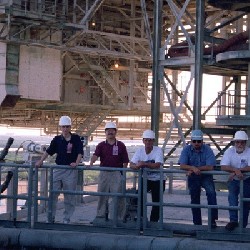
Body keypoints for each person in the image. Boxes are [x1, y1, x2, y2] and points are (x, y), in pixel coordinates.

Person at [35, 115, 83, 224]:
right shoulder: (57, 139)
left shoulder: (76, 138)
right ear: (60, 128)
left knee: (69, 196)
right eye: (63, 127)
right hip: (58, 169)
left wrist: (76, 162)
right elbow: (48, 151)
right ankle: (50, 217)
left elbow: (80, 152)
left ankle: (66, 219)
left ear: (70, 127)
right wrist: (41, 161)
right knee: (52, 194)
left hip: (70, 170)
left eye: (67, 127)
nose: (65, 129)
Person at [89, 122, 129, 220]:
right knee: (102, 195)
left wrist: (123, 174)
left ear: (115, 132)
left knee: (118, 196)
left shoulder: (120, 145)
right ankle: (101, 215)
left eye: (112, 130)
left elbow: (125, 160)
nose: (110, 132)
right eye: (108, 130)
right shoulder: (101, 145)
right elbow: (95, 155)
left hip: (116, 173)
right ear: (105, 132)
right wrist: (91, 163)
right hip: (104, 172)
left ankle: (117, 217)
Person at [179, 129, 218, 228]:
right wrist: (193, 168)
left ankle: (212, 220)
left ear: (202, 141)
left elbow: (210, 167)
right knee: (195, 198)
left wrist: (195, 169)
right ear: (191, 141)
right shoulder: (186, 149)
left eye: (199, 141)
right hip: (194, 176)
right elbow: (182, 165)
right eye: (194, 141)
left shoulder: (208, 149)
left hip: (205, 176)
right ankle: (197, 223)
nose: (196, 143)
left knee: (211, 194)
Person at [130, 129, 165, 222]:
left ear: (153, 141)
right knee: (139, 196)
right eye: (146, 140)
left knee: (156, 201)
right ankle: (141, 218)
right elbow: (132, 164)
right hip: (145, 179)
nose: (148, 142)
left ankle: (154, 222)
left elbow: (157, 164)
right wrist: (136, 166)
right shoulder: (140, 151)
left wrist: (143, 164)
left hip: (158, 179)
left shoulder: (158, 150)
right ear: (143, 141)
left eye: (150, 140)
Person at [221, 130, 250, 231]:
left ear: (245, 143)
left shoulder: (249, 151)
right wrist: (235, 170)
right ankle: (233, 221)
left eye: (242, 142)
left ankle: (243, 223)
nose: (240, 144)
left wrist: (237, 171)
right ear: (234, 142)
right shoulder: (229, 151)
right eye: (238, 142)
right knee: (232, 199)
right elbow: (223, 166)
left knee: (245, 201)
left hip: (246, 179)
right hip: (234, 179)